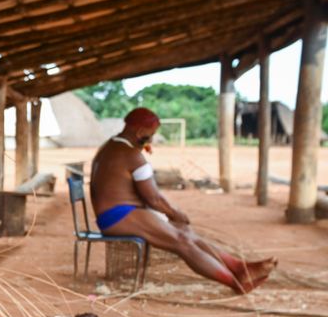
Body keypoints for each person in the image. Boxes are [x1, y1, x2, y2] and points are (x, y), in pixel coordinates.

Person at [90, 107, 275, 293]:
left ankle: (238, 268)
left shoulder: (109, 147)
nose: (151, 140)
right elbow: (153, 198)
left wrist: (172, 215)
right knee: (182, 242)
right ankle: (234, 282)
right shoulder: (132, 156)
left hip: (116, 213)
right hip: (118, 215)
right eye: (150, 135)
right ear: (139, 131)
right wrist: (175, 213)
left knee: (186, 233)